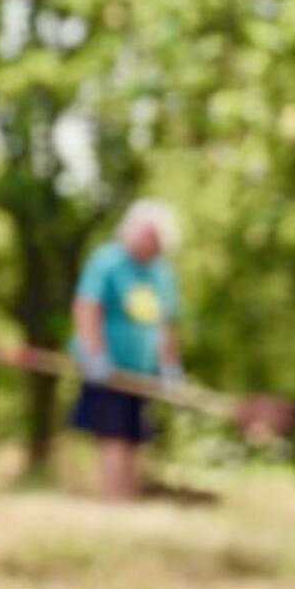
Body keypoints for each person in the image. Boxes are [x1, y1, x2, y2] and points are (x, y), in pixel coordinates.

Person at [70, 200, 182, 501]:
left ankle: (127, 503)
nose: (150, 244)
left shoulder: (161, 272)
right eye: (146, 236)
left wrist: (169, 366)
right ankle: (113, 503)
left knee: (134, 438)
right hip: (108, 370)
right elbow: (87, 308)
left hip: (142, 373)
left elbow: (166, 324)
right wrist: (94, 354)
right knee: (112, 436)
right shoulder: (107, 261)